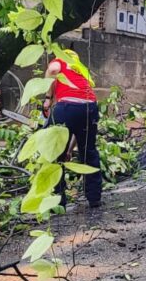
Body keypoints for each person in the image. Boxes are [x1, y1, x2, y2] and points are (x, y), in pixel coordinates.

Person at [42, 50, 103, 208]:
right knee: (88, 151)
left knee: (56, 154)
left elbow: (53, 70)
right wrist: (70, 149)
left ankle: (58, 201)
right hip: (90, 108)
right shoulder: (80, 70)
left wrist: (48, 99)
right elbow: (77, 128)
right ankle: (94, 198)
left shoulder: (60, 62)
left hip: (67, 106)